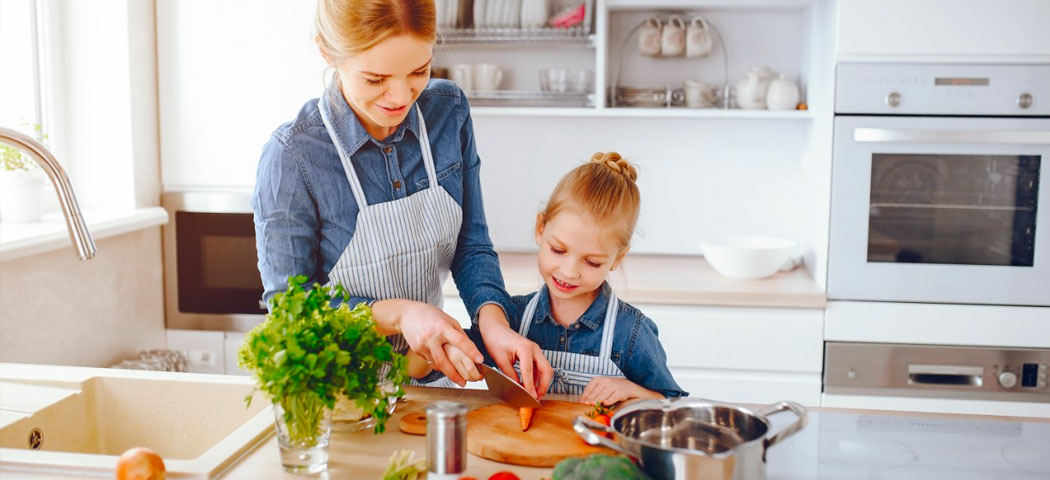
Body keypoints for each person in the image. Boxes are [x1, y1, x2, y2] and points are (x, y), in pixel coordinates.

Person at [251, 0, 552, 394]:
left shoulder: (448, 112)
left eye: (418, 72)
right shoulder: (293, 156)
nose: (399, 96)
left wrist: (494, 324)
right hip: (339, 400)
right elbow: (290, 311)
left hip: (427, 384)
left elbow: (471, 245)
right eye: (376, 79)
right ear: (328, 51)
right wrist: (401, 314)